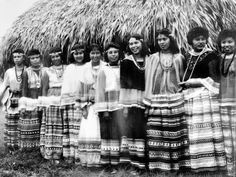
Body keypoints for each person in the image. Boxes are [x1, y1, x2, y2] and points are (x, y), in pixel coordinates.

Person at [180, 27, 226, 172]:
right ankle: (194, 164)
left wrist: (195, 82)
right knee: (192, 131)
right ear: (191, 42)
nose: (200, 42)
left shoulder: (211, 56)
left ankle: (210, 163)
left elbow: (215, 79)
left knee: (204, 129)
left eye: (202, 39)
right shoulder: (186, 56)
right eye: (197, 39)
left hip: (205, 98)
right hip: (189, 98)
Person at [144, 29, 189, 172]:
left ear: (171, 39)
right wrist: (148, 101)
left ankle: (177, 164)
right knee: (158, 132)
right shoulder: (153, 58)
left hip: (175, 99)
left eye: (164, 39)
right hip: (157, 100)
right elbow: (148, 80)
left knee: (175, 133)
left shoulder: (179, 57)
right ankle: (158, 165)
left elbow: (183, 80)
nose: (161, 42)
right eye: (159, 40)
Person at [119, 34, 149, 174]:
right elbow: (123, 86)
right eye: (131, 44)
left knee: (146, 132)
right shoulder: (126, 62)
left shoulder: (151, 59)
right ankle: (136, 164)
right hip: (131, 103)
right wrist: (125, 107)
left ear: (142, 43)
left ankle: (147, 163)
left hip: (148, 100)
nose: (134, 46)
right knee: (134, 131)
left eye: (136, 43)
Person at [95, 42, 124, 173]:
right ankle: (107, 163)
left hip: (121, 106)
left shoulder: (124, 67)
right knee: (107, 134)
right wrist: (105, 110)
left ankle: (118, 162)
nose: (113, 55)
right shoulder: (103, 70)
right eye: (110, 53)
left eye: (115, 52)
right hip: (107, 108)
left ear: (119, 53)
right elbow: (100, 91)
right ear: (106, 55)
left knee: (118, 133)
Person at [78, 43, 106, 167]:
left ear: (101, 54)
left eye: (97, 53)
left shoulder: (106, 66)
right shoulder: (85, 68)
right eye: (92, 53)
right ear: (89, 55)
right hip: (89, 104)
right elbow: (82, 88)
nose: (95, 55)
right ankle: (89, 159)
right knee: (90, 130)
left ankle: (101, 158)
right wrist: (83, 106)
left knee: (101, 130)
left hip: (103, 103)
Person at [60, 44, 89, 163]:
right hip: (69, 102)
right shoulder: (69, 67)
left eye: (81, 53)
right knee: (70, 129)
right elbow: (65, 86)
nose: (79, 56)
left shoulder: (88, 66)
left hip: (82, 101)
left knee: (80, 128)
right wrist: (63, 102)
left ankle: (80, 156)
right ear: (73, 55)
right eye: (76, 54)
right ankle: (70, 155)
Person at [38, 47, 66, 163]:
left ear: (61, 56)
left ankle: (63, 152)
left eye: (57, 56)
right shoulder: (47, 71)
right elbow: (44, 88)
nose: (55, 58)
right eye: (53, 56)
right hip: (51, 98)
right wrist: (44, 103)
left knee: (63, 124)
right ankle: (51, 152)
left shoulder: (67, 68)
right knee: (52, 124)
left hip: (64, 97)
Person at [18, 49, 47, 150]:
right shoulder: (26, 72)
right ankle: (33, 145)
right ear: (29, 60)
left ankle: (43, 144)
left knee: (43, 120)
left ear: (40, 57)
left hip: (43, 98)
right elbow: (24, 88)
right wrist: (23, 104)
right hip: (31, 98)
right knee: (34, 122)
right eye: (32, 58)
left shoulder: (46, 70)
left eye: (37, 57)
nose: (35, 60)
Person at [217, 29, 236, 176]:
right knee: (227, 136)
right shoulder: (219, 58)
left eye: (230, 41)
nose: (226, 44)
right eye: (224, 42)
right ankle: (230, 169)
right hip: (222, 102)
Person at [0, 49, 26, 152]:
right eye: (15, 57)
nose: (16, 59)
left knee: (23, 123)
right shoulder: (9, 72)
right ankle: (11, 147)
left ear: (23, 57)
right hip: (12, 100)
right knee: (12, 123)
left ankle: (23, 147)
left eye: (19, 56)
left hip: (23, 99)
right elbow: (4, 86)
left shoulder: (28, 70)